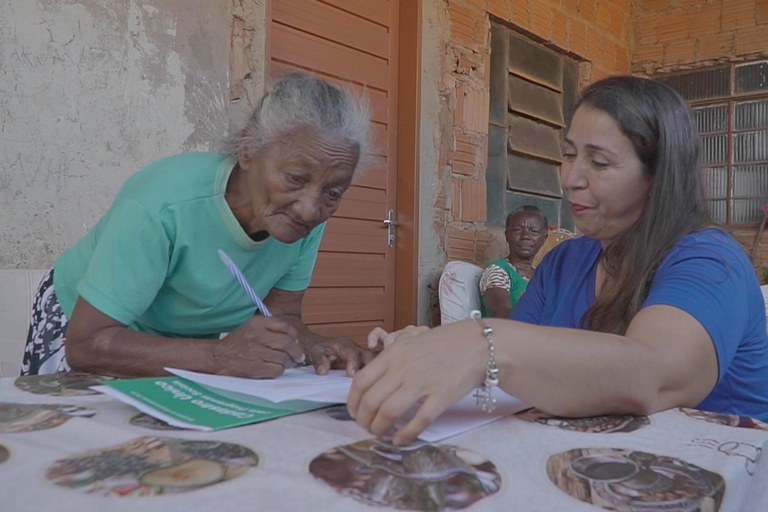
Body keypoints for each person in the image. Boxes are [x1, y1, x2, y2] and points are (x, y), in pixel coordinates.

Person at [348, 75, 768, 446]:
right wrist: (431, 350)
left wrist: (480, 342)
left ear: (657, 177)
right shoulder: (566, 260)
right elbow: (519, 359)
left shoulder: (711, 261)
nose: (570, 178)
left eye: (599, 162)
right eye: (569, 155)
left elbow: (655, 375)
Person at [22, 72, 374, 379]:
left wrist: (315, 345)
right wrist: (219, 357)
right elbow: (86, 345)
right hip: (87, 329)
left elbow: (280, 315)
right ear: (248, 149)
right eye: (296, 178)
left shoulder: (301, 219)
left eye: (333, 191)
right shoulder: (164, 203)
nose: (311, 208)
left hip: (183, 342)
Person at [479, 206, 548, 318]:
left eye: (534, 232)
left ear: (544, 238)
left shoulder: (543, 277)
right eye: (517, 230)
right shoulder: (498, 270)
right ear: (507, 235)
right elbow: (501, 314)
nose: (525, 236)